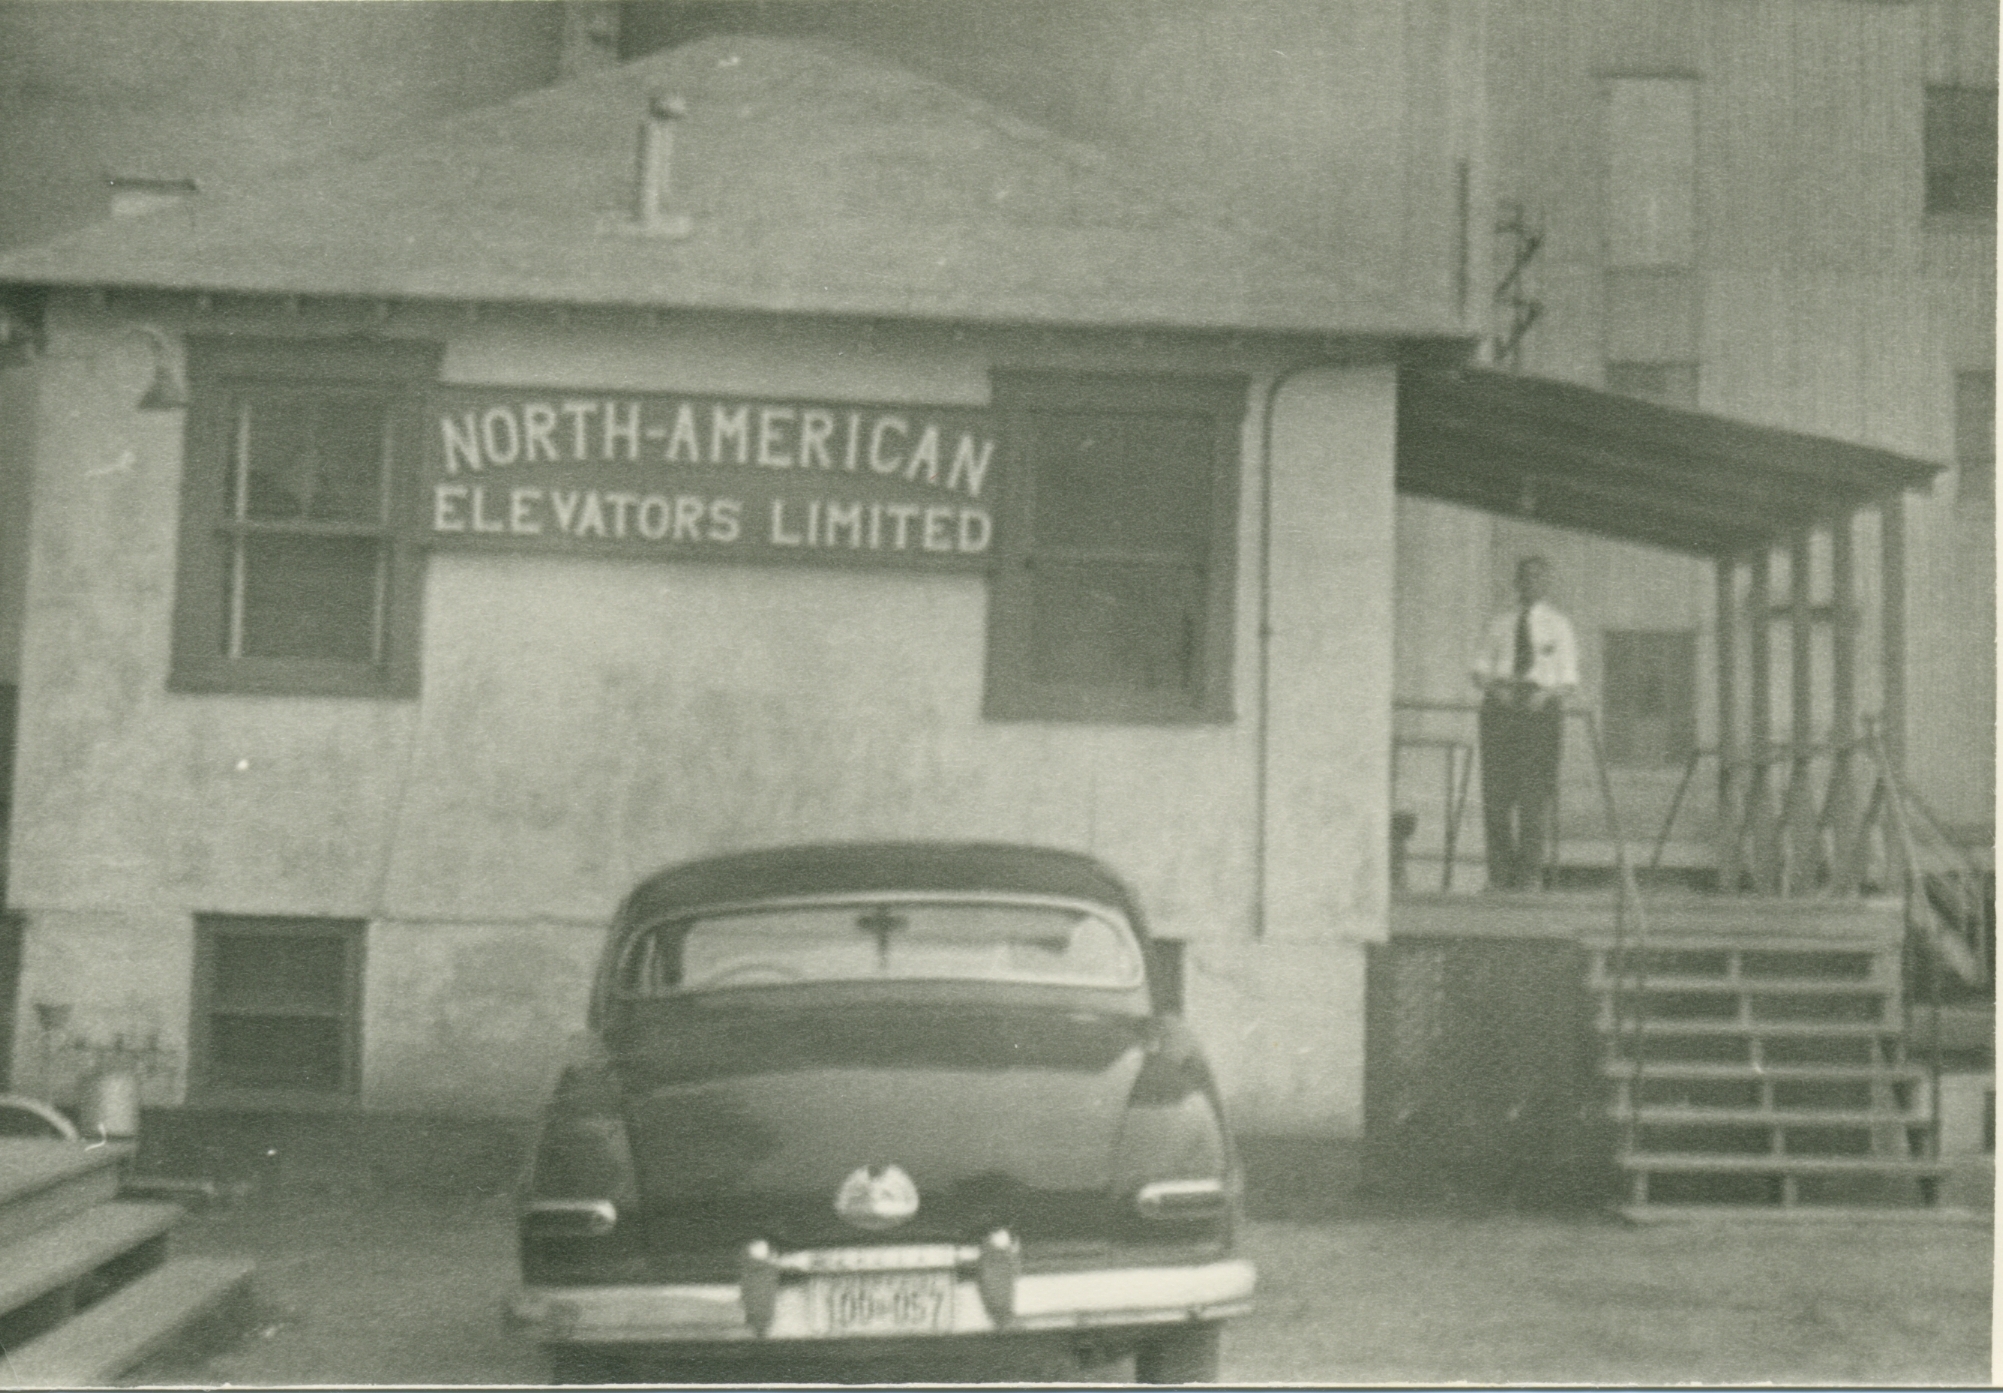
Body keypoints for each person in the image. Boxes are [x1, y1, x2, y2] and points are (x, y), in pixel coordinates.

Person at [1470, 556, 1577, 890]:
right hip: (1501, 707)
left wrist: (1545, 695)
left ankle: (1529, 875)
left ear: (1547, 583)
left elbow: (1568, 679)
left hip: (1539, 709)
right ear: (1516, 582)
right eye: (1526, 577)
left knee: (1534, 795)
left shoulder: (1559, 625)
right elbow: (1479, 670)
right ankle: (1499, 875)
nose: (1531, 583)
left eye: (1538, 577)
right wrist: (1495, 690)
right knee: (1497, 795)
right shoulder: (1499, 623)